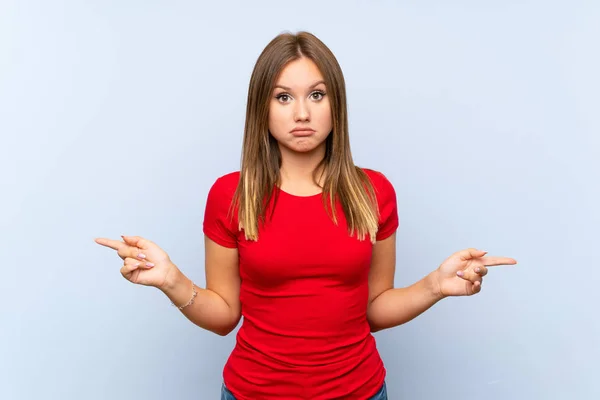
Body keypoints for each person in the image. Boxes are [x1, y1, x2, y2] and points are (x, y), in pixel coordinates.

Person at [95, 31, 517, 400]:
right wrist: (170, 280)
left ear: (337, 105)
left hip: (360, 391)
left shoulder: (374, 192)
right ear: (262, 108)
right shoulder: (231, 195)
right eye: (283, 97)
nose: (302, 113)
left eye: (317, 94)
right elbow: (224, 316)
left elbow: (374, 309)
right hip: (253, 392)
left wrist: (434, 286)